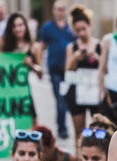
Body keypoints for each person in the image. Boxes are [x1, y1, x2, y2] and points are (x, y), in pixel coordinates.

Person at [65, 5, 102, 153]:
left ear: (90, 25)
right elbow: (67, 69)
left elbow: (105, 69)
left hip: (95, 91)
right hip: (76, 92)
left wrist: (96, 57)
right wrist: (77, 57)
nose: (81, 33)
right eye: (77, 30)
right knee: (79, 132)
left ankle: (98, 159)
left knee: (98, 129)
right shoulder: (72, 47)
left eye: (83, 29)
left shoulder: (100, 45)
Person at [39, 0, 76, 139]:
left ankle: (62, 125)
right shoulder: (47, 27)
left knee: (66, 99)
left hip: (69, 69)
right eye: (57, 9)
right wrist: (39, 66)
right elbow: (41, 46)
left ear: (65, 10)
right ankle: (62, 128)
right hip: (54, 68)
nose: (60, 11)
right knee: (60, 99)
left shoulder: (70, 27)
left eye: (62, 9)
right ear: (53, 11)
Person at [0, 12, 42, 126]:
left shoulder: (34, 47)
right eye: (14, 26)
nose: (18, 29)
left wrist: (31, 65)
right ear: (10, 29)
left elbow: (41, 74)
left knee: (33, 125)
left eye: (20, 25)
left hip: (25, 93)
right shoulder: (5, 48)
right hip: (8, 93)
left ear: (25, 26)